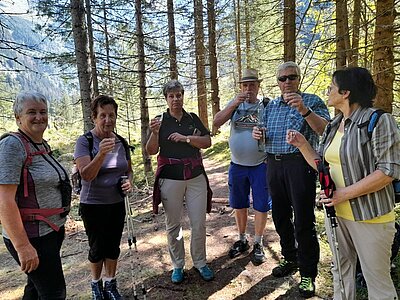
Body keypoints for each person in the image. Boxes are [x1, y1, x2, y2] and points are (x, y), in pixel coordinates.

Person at [286, 67, 400, 300]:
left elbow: (388, 171)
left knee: (376, 280)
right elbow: (322, 164)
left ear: (346, 92)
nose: (328, 90)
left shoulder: (379, 120)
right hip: (337, 214)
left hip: (371, 216)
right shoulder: (334, 124)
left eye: (332, 86)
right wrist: (302, 146)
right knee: (341, 273)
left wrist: (343, 194)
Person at [253, 61, 330, 298]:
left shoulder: (312, 101)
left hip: (300, 163)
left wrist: (304, 110)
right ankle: (290, 257)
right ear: (277, 82)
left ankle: (308, 273)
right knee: (280, 215)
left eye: (291, 77)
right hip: (273, 164)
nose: (287, 82)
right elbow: (262, 138)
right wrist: (258, 135)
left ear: (298, 78)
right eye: (282, 79)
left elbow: (325, 130)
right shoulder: (271, 105)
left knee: (303, 220)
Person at [0, 92, 70, 299]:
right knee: (54, 293)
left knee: (35, 289)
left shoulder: (39, 144)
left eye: (43, 112)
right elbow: (4, 200)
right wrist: (23, 247)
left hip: (48, 232)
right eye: (32, 112)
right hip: (32, 236)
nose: (39, 117)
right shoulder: (12, 146)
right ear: (18, 118)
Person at [146, 79, 214, 284]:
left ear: (183, 96)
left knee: (199, 223)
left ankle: (200, 262)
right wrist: (155, 133)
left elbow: (207, 141)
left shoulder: (192, 118)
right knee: (173, 225)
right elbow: (150, 150)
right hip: (170, 178)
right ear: (166, 98)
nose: (176, 99)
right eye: (171, 96)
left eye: (179, 95)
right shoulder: (159, 121)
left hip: (195, 177)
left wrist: (186, 138)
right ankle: (178, 265)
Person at [74, 95, 133, 300]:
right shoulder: (85, 141)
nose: (108, 120)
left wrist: (129, 182)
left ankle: (110, 284)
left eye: (111, 115)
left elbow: (128, 169)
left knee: (113, 246)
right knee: (97, 248)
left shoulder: (121, 141)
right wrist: (100, 154)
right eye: (103, 116)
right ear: (94, 118)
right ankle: (95, 285)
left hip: (116, 202)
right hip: (92, 204)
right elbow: (86, 174)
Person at [213, 68, 272, 265]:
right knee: (239, 203)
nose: (248, 89)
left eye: (252, 85)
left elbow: (274, 133)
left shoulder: (266, 105)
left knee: (261, 204)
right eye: (245, 85)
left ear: (258, 86)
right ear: (241, 87)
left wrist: (265, 137)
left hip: (260, 165)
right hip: (237, 165)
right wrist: (233, 104)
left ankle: (258, 241)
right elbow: (216, 122)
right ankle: (242, 238)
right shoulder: (235, 106)